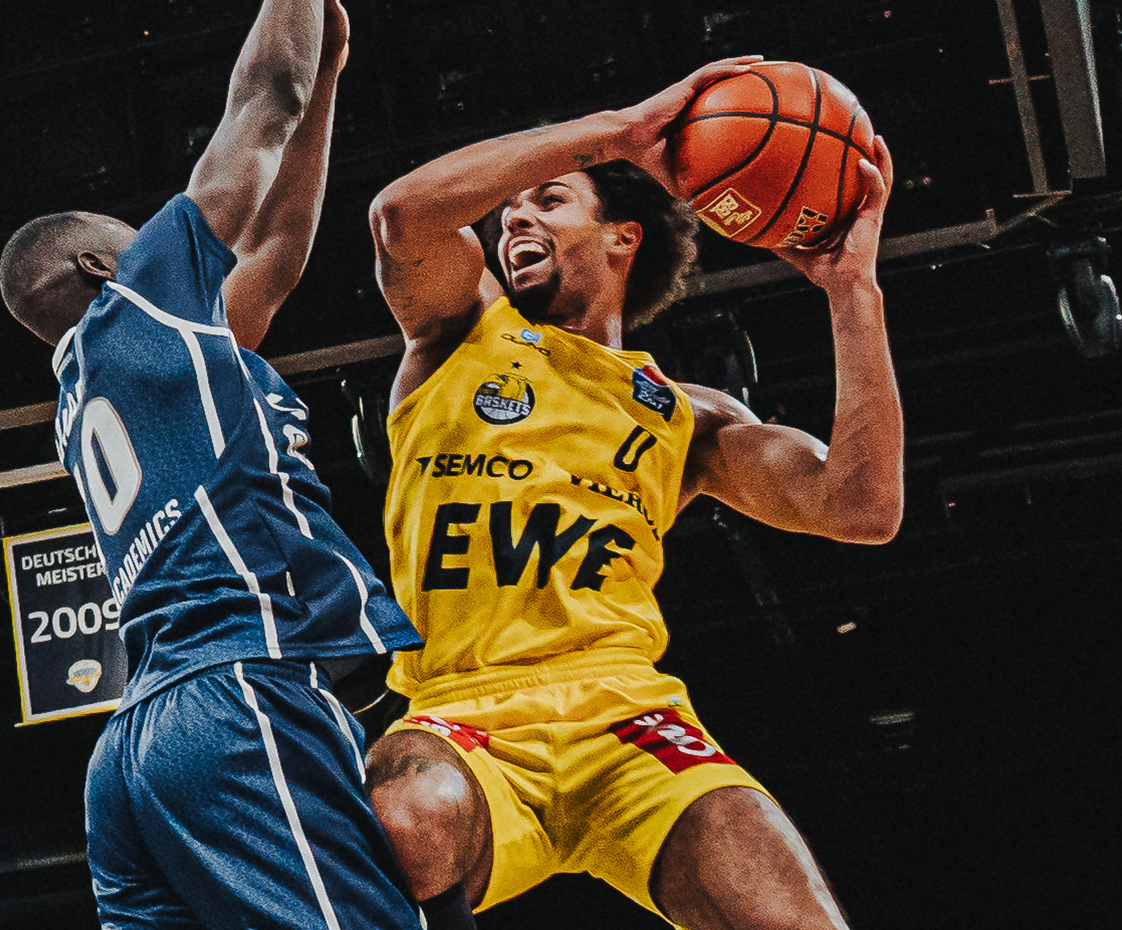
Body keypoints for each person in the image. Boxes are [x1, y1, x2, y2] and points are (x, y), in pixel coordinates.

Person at [361, 56, 904, 930]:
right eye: (511, 209)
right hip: (466, 709)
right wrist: (617, 130)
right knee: (404, 824)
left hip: (626, 712)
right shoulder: (460, 329)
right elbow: (401, 216)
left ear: (623, 238)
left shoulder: (687, 418)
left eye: (550, 200)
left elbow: (861, 508)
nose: (515, 217)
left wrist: (852, 293)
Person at [0, 2, 424, 927]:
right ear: (96, 262)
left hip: (135, 749)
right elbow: (262, 100)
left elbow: (280, 251)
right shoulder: (141, 303)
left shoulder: (102, 382)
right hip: (235, 689)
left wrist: (332, 78)